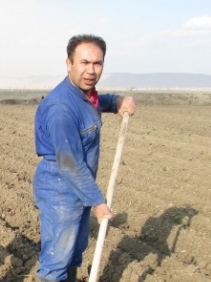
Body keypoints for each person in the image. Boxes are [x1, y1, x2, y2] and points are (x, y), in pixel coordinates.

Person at [33, 34, 136, 282]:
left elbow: (96, 102)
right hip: (60, 187)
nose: (91, 70)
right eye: (84, 63)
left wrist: (117, 101)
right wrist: (98, 202)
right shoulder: (61, 108)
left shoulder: (84, 94)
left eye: (97, 63)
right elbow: (69, 164)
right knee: (56, 261)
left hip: (77, 187)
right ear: (69, 63)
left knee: (73, 253)